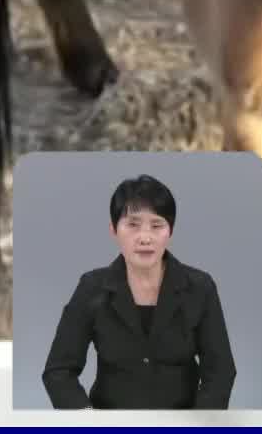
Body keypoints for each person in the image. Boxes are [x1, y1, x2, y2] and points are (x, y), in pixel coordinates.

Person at [40, 174, 237, 409]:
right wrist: (88, 423)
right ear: (114, 230)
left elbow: (221, 371)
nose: (145, 237)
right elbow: (58, 371)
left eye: (157, 225)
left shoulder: (200, 287)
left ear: (170, 231)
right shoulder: (91, 287)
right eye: (132, 225)